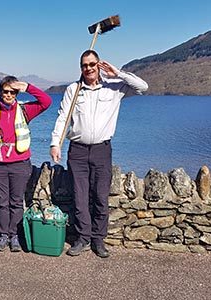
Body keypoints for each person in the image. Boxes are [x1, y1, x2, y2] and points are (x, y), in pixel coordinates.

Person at [50, 50, 148, 258]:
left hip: (102, 150)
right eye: (84, 65)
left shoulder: (114, 88)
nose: (89, 68)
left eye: (92, 64)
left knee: (101, 197)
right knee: (80, 197)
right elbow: (62, 117)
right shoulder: (73, 90)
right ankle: (83, 238)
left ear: (99, 64)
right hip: (77, 150)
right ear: (81, 68)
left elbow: (142, 87)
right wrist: (55, 143)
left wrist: (118, 73)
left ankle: (98, 239)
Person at [0, 76, 52, 252]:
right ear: (0, 92)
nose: (8, 95)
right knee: (2, 202)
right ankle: (3, 236)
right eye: (5, 91)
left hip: (20, 164)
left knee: (16, 202)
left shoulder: (25, 111)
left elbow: (46, 102)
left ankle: (14, 235)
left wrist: (27, 87)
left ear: (16, 93)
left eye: (12, 92)